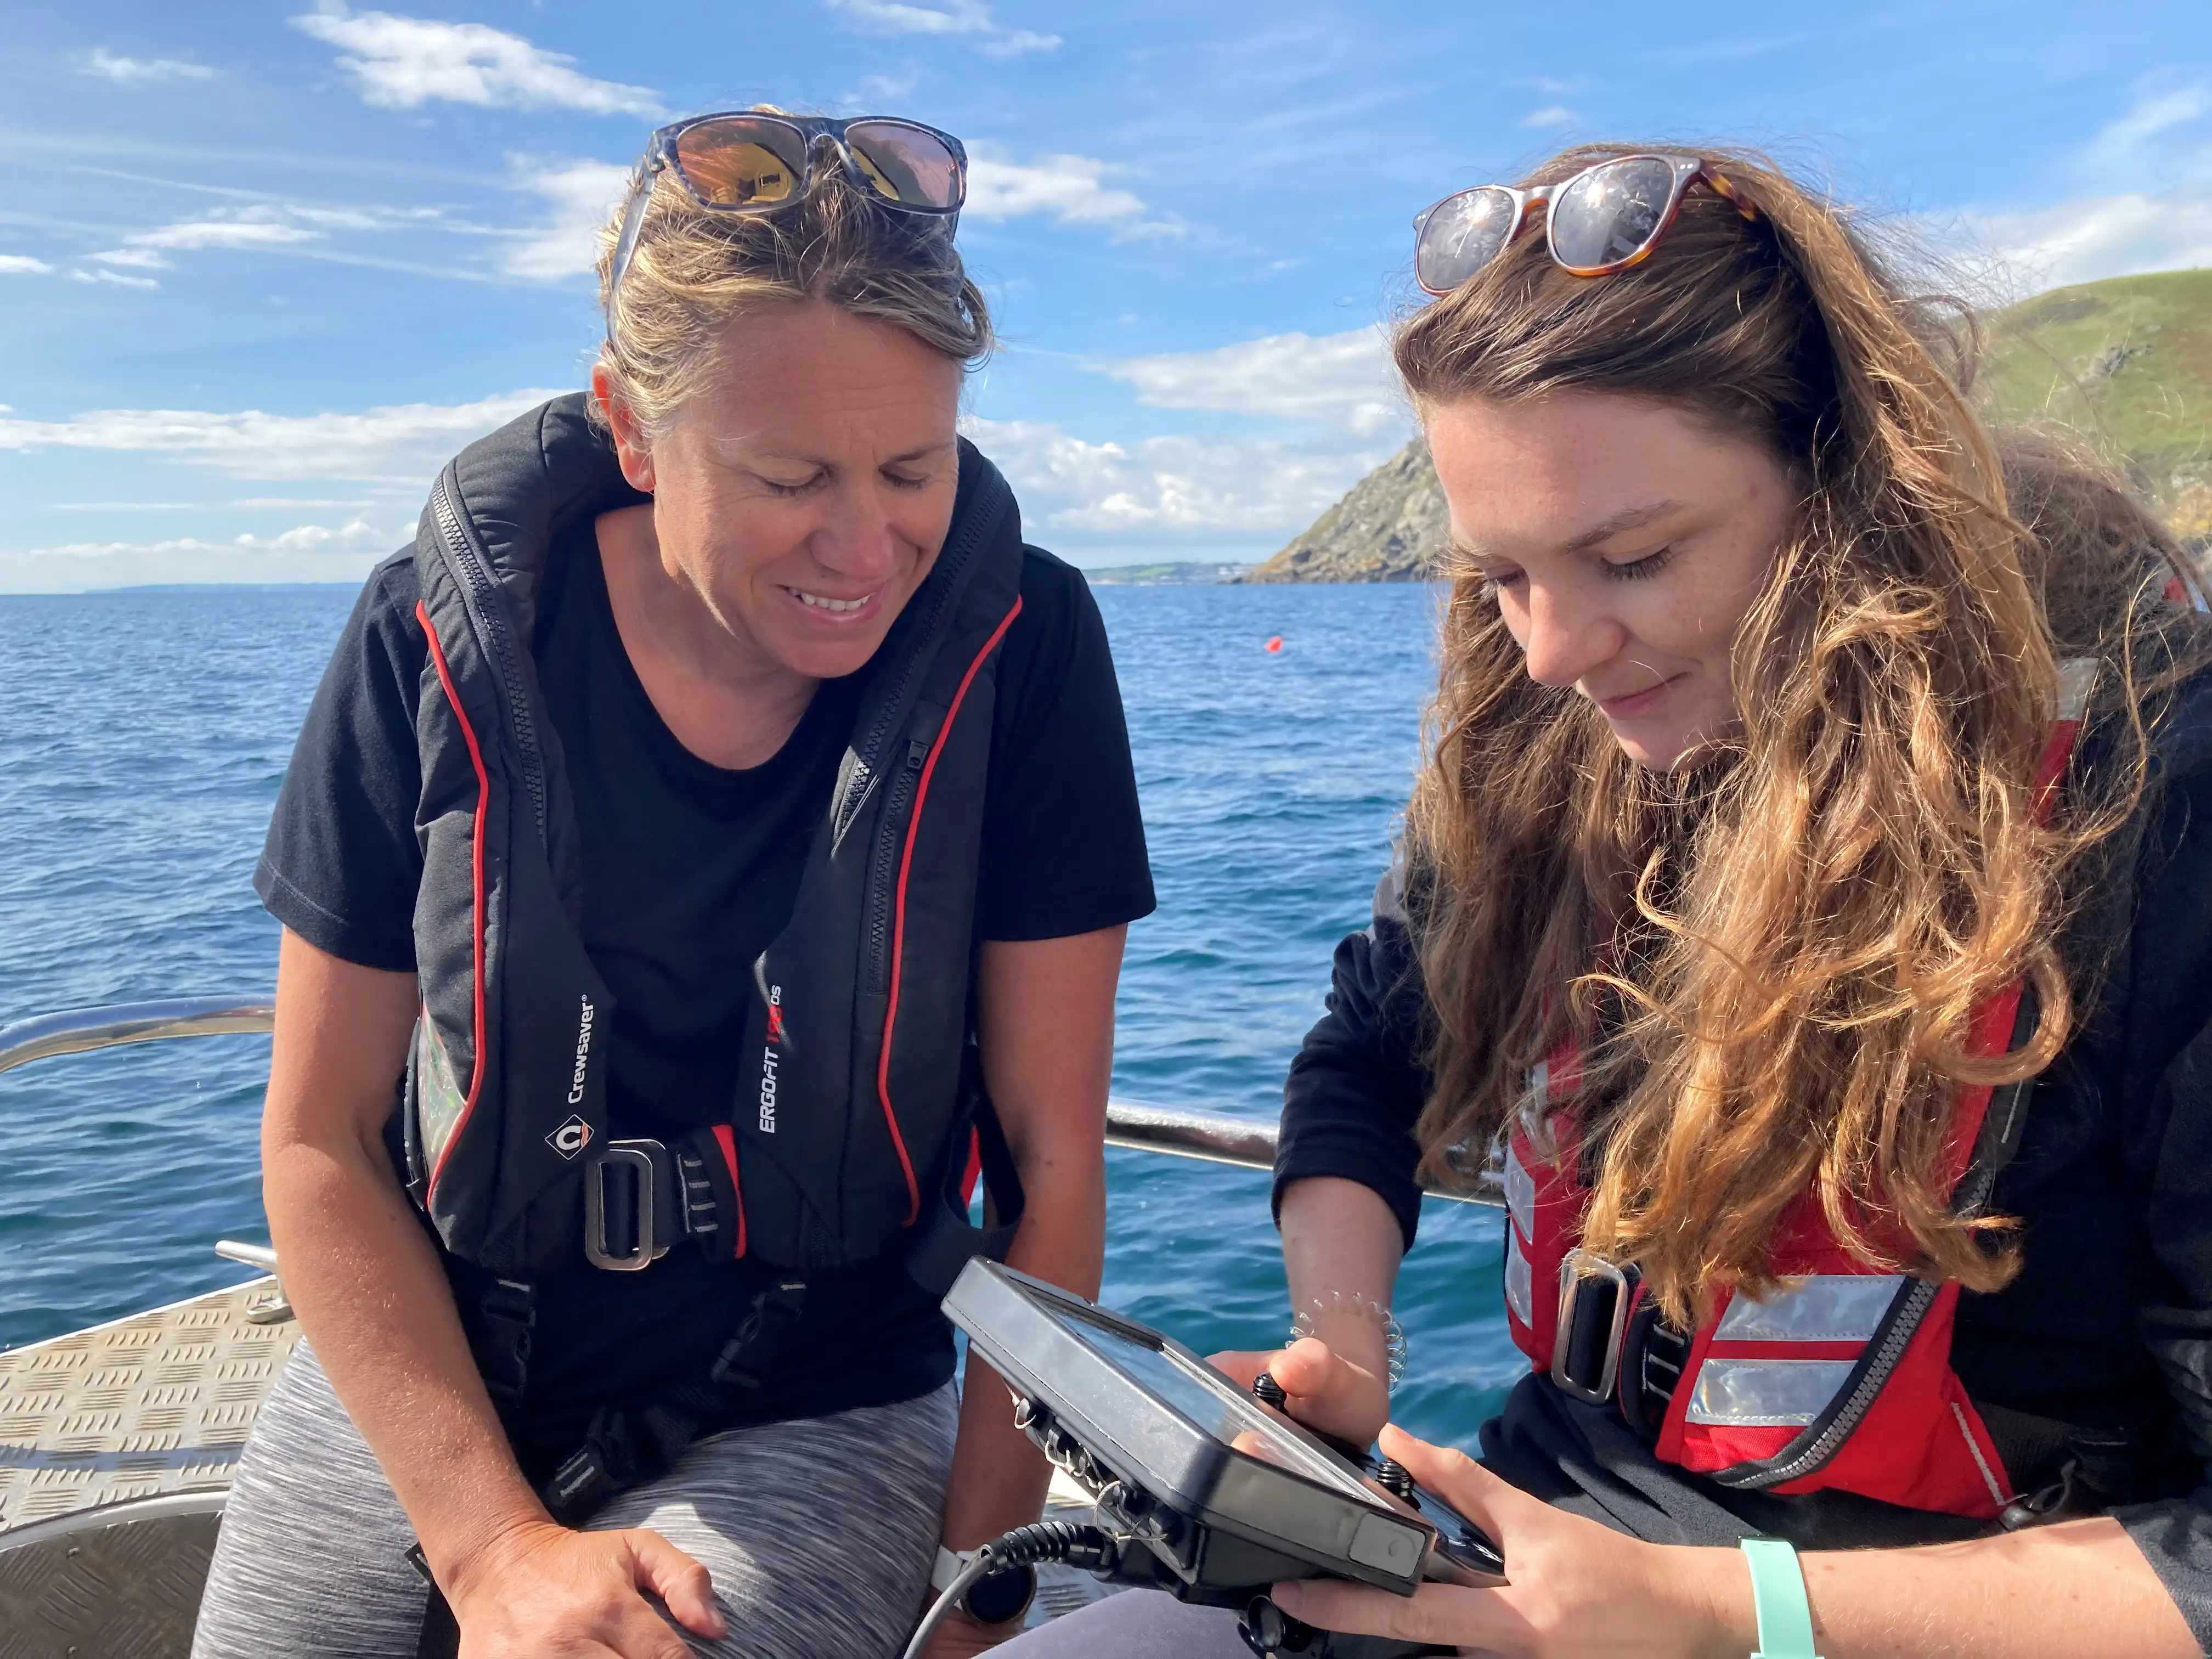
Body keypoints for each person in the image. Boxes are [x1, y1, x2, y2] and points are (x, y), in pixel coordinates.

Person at [999, 144, 2212, 1657]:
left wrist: (1721, 1612)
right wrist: (1344, 1353)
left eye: (1631, 558)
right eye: (1501, 575)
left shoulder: (2156, 808)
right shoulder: (1549, 759)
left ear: (1851, 490)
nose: (1557, 651)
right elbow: (1372, 1054)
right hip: (1527, 1553)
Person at [191, 109, 1155, 1659]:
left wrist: (982, 1584)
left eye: (916, 468)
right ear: (631, 432)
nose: (866, 543)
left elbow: (1052, 1173)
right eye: (790, 477)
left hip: (820, 1390)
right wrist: (495, 1546)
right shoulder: (427, 641)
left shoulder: (1025, 654)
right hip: (449, 1354)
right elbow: (316, 1141)